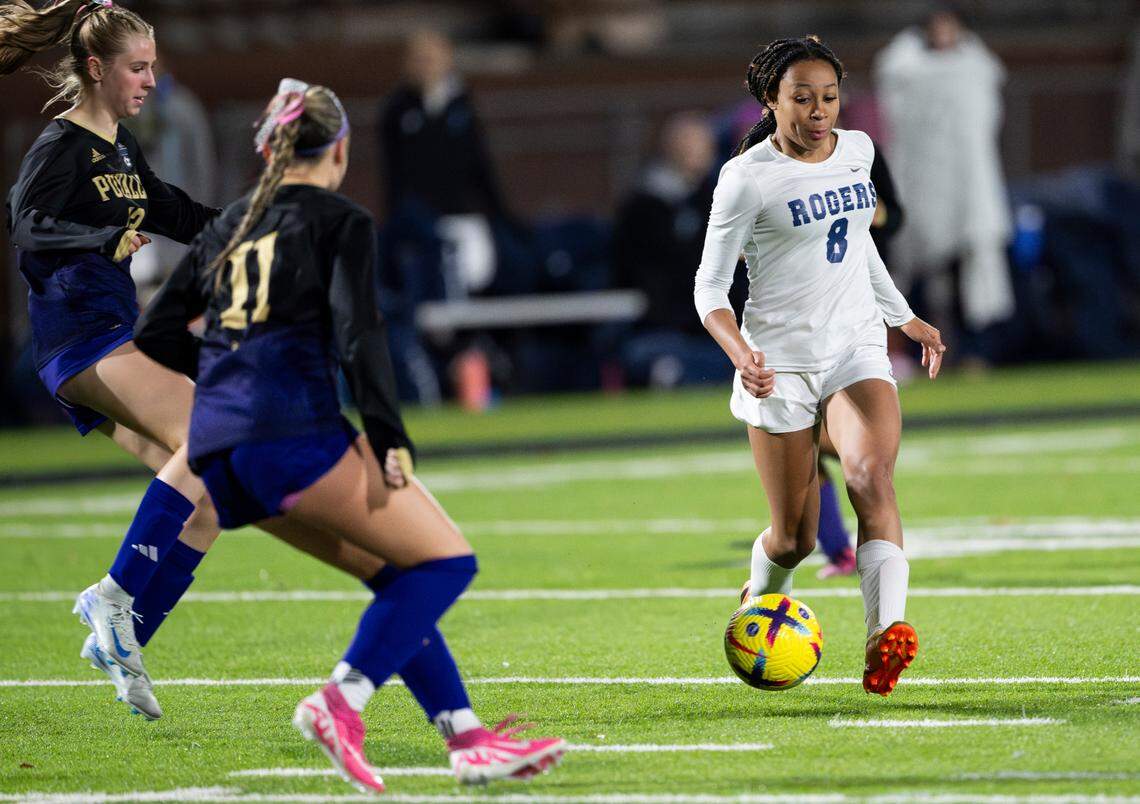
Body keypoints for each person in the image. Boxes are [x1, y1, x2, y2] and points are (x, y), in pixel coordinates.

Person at [1, 0, 428, 727]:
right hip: (82, 338)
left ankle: (128, 640)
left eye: (153, 67)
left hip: (105, 339)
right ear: (97, 69)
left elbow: (170, 210)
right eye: (137, 67)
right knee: (213, 433)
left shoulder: (122, 149)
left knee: (210, 496)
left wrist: (251, 225)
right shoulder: (63, 143)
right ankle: (111, 596)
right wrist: (101, 239)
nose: (149, 80)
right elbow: (26, 224)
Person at [137, 78, 565, 792]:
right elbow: (360, 336)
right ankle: (342, 699)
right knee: (446, 564)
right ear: (338, 149)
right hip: (290, 430)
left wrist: (226, 375)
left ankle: (467, 738)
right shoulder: (338, 219)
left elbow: (155, 332)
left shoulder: (231, 221)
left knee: (394, 575)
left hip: (219, 449)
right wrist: (389, 434)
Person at [693, 36, 946, 696]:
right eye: (801, 98)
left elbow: (857, 245)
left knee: (871, 476)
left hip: (854, 348)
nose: (818, 110)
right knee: (794, 539)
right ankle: (759, 600)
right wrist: (741, 353)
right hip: (779, 365)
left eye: (829, 96)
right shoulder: (747, 176)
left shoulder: (858, 151)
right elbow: (709, 290)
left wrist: (902, 316)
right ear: (772, 101)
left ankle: (884, 637)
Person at [874, 4, 1013, 358]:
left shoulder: (976, 68)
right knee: (914, 270)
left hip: (969, 188)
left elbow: (982, 120)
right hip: (921, 186)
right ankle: (913, 352)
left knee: (970, 274)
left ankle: (973, 355)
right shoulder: (904, 67)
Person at [611, 111, 735, 387]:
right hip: (663, 325)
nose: (698, 153)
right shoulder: (644, 207)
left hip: (712, 324)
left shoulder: (716, 199)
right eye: (689, 145)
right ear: (670, 149)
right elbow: (643, 270)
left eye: (703, 145)